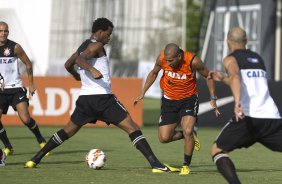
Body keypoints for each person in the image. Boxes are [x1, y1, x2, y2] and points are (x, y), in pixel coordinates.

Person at [24, 17, 179, 173]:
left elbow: (68, 64)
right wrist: (92, 70)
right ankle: (155, 164)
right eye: (108, 33)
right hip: (103, 99)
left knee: (66, 131)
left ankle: (34, 159)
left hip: (85, 100)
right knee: (133, 128)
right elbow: (79, 59)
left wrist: (76, 75)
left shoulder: (83, 46)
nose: (109, 37)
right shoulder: (96, 45)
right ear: (100, 31)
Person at [209, 27, 282, 184]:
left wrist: (237, 102)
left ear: (228, 42)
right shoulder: (258, 58)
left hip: (248, 116)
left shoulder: (230, 59)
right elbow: (240, 80)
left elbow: (235, 76)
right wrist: (223, 78)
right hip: (271, 117)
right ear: (246, 41)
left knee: (217, 150)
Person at [134, 43, 220, 175]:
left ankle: (186, 165)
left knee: (188, 130)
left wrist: (213, 97)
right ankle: (189, 136)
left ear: (179, 56)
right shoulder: (162, 58)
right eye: (166, 61)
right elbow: (154, 72)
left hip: (188, 100)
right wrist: (143, 92)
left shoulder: (193, 61)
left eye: (171, 61)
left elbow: (208, 76)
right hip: (169, 101)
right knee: (164, 138)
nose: (167, 64)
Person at [0, 21, 48, 156]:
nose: (3, 33)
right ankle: (8, 146)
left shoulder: (15, 47)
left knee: (25, 119)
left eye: (6, 31)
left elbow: (28, 64)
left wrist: (31, 83)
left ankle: (40, 139)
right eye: (1, 31)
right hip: (1, 91)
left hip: (15, 88)